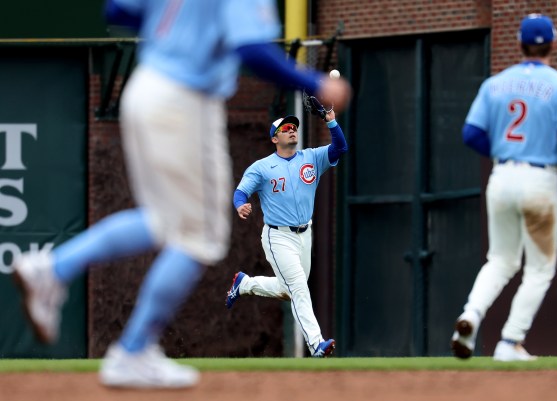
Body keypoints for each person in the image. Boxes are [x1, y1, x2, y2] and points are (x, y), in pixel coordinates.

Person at [11, 0, 351, 389]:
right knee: (200, 237)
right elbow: (253, 50)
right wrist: (317, 83)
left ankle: (54, 269)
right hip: (184, 100)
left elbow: (118, 10)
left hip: (146, 86)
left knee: (163, 220)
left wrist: (182, 27)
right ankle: (133, 349)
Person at [450, 13, 557, 362]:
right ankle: (509, 342)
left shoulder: (494, 84)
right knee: (539, 268)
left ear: (519, 44)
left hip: (501, 176)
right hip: (539, 179)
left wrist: (503, 153)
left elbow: (470, 134)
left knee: (500, 259)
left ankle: (470, 316)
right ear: (554, 44)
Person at [225, 107, 347, 358]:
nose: (292, 130)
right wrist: (240, 205)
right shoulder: (262, 167)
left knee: (287, 290)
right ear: (274, 139)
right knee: (299, 288)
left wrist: (331, 122)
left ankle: (245, 283)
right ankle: (317, 344)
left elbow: (340, 148)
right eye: (285, 129)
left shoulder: (311, 157)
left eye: (294, 128)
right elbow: (240, 192)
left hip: (305, 235)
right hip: (278, 236)